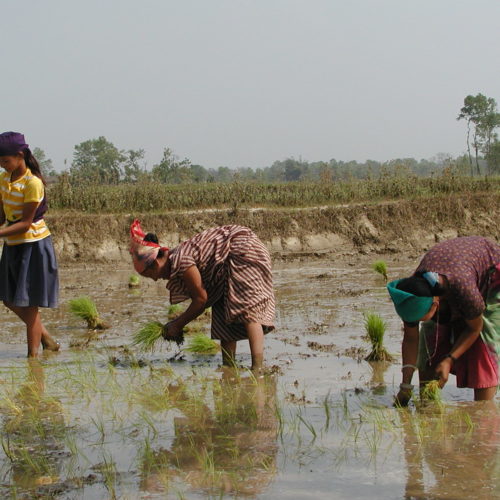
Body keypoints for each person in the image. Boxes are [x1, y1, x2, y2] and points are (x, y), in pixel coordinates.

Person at [129, 219, 275, 370]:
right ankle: (228, 367)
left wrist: (177, 324)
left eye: (150, 274)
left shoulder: (181, 260)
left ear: (155, 264)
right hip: (222, 268)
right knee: (223, 319)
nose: (154, 279)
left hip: (243, 251)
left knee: (247, 310)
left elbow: (201, 300)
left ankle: (258, 368)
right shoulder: (175, 259)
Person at [387, 236, 500, 405]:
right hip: (454, 269)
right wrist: (405, 387)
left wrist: (449, 359)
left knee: (483, 343)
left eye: (421, 318)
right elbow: (411, 339)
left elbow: (475, 328)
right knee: (430, 338)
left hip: (490, 272)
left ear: (436, 304)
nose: (416, 322)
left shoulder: (464, 288)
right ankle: (427, 403)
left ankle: (483, 411)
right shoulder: (412, 293)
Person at [0, 132, 59, 357]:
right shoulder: (3, 180)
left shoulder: (33, 183)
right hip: (13, 244)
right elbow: (1, 216)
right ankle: (45, 338)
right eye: (0, 162)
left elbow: (25, 224)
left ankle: (33, 359)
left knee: (29, 305)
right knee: (8, 298)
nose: (3, 166)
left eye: (6, 161)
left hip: (33, 245)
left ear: (19, 155)